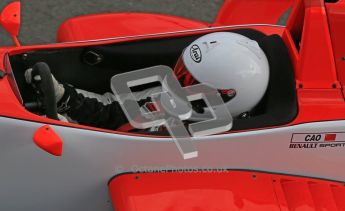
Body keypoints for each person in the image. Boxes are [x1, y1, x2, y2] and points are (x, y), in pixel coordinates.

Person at [25, 32, 270, 131]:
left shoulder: (215, 144)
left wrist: (72, 134)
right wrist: (63, 97)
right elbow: (111, 110)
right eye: (181, 70)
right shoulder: (177, 94)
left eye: (190, 80)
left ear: (223, 96)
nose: (178, 80)